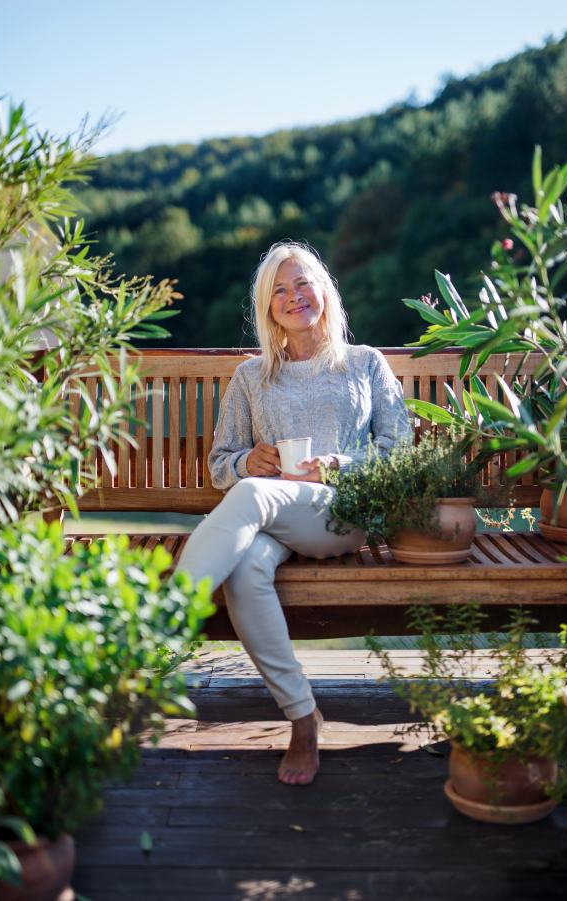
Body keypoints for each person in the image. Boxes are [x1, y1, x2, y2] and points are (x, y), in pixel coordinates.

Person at [178, 242, 411, 785]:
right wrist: (247, 460)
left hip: (342, 514)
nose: (293, 296)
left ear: (324, 289)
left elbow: (398, 454)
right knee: (246, 569)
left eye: (302, 282)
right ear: (267, 308)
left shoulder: (365, 363)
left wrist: (337, 463)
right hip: (274, 519)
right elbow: (220, 465)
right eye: (278, 290)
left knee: (253, 497)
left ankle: (157, 621)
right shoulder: (251, 376)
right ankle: (303, 718)